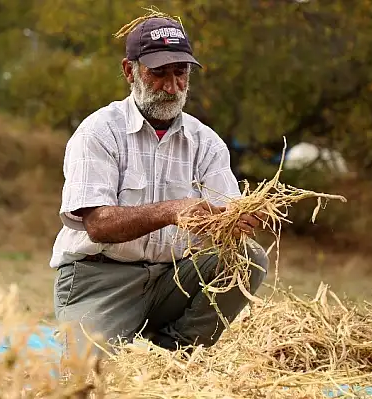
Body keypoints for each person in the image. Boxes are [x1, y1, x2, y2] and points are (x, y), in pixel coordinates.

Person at [49, 12, 269, 357]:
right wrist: (171, 211)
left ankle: (174, 352)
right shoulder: (98, 132)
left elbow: (227, 223)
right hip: (100, 280)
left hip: (173, 279)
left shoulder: (207, 143)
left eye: (180, 73)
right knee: (87, 374)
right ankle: (118, 343)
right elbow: (98, 225)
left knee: (247, 258)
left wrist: (238, 222)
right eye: (158, 73)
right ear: (129, 71)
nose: (171, 87)